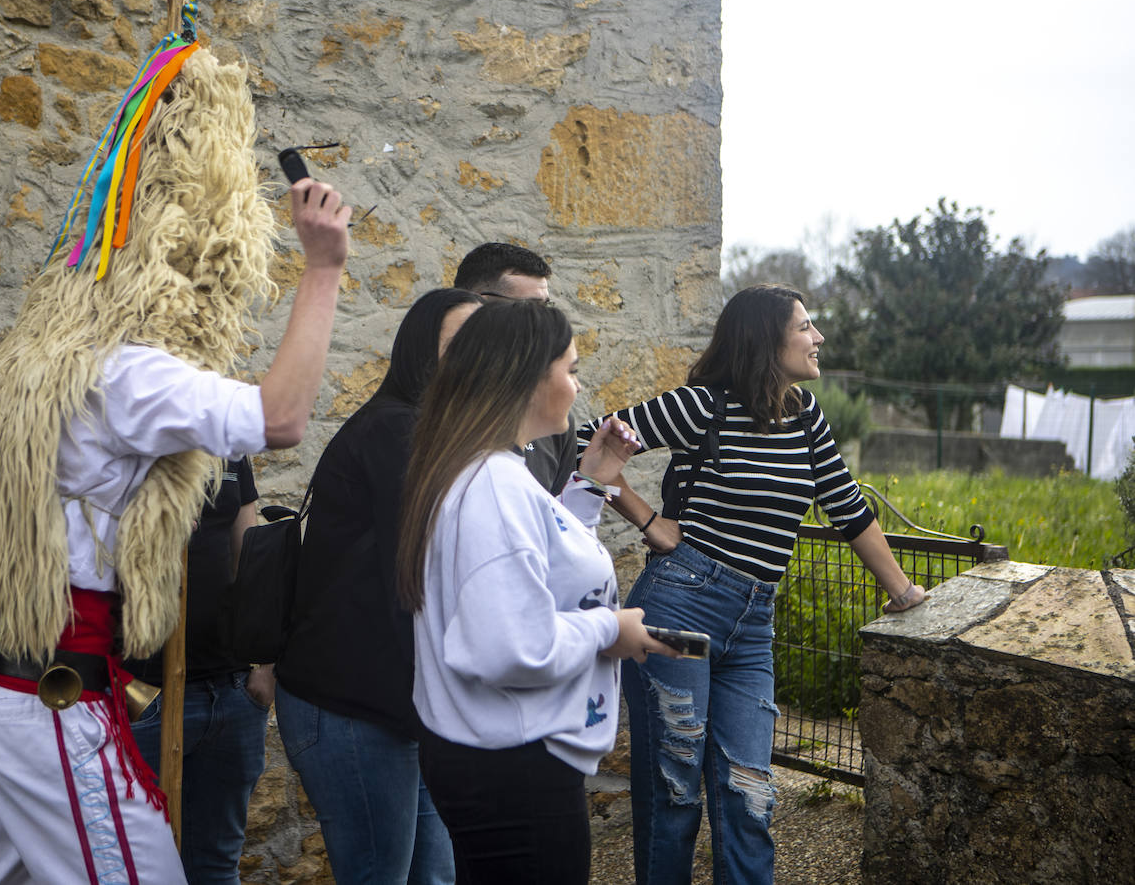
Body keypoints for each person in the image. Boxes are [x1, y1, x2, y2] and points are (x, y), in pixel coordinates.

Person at [0, 42, 352, 884]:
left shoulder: (27, 357)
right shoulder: (124, 372)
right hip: (49, 701)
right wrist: (324, 269)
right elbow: (283, 418)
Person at [576, 283, 927, 885]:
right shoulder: (703, 405)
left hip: (752, 628)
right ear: (768, 338)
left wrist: (903, 593)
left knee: (750, 795)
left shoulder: (805, 413)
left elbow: (845, 506)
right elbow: (587, 441)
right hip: (679, 612)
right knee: (675, 790)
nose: (818, 338)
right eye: (805, 327)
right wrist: (647, 518)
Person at [396, 301, 677, 884]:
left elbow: (535, 554)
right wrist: (611, 629)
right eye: (571, 369)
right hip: (514, 769)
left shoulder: (484, 472)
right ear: (528, 378)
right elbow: (512, 645)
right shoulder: (493, 485)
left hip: (497, 761)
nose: (578, 385)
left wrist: (590, 484)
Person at [275, 287, 482, 885]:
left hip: (399, 708)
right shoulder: (397, 430)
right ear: (423, 352)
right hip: (349, 708)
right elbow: (412, 579)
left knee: (433, 875)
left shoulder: (432, 432)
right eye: (458, 345)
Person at [124, 456, 270, 885]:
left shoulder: (227, 439)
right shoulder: (123, 428)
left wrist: (265, 666)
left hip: (231, 689)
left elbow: (250, 552)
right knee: (136, 866)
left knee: (217, 865)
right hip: (143, 695)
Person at [453, 242, 575, 495]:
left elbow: (555, 520)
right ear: (478, 303)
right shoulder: (435, 407)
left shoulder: (552, 418)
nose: (543, 322)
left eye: (546, 307)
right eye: (530, 308)